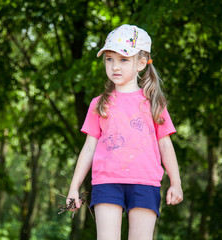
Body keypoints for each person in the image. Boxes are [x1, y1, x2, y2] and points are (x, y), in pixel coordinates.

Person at [67, 24, 183, 240]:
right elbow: (89, 147)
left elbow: (165, 144)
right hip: (106, 182)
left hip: (145, 183)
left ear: (140, 62)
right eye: (109, 59)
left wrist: (175, 182)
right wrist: (74, 187)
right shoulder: (98, 104)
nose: (115, 66)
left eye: (123, 59)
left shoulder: (154, 103)